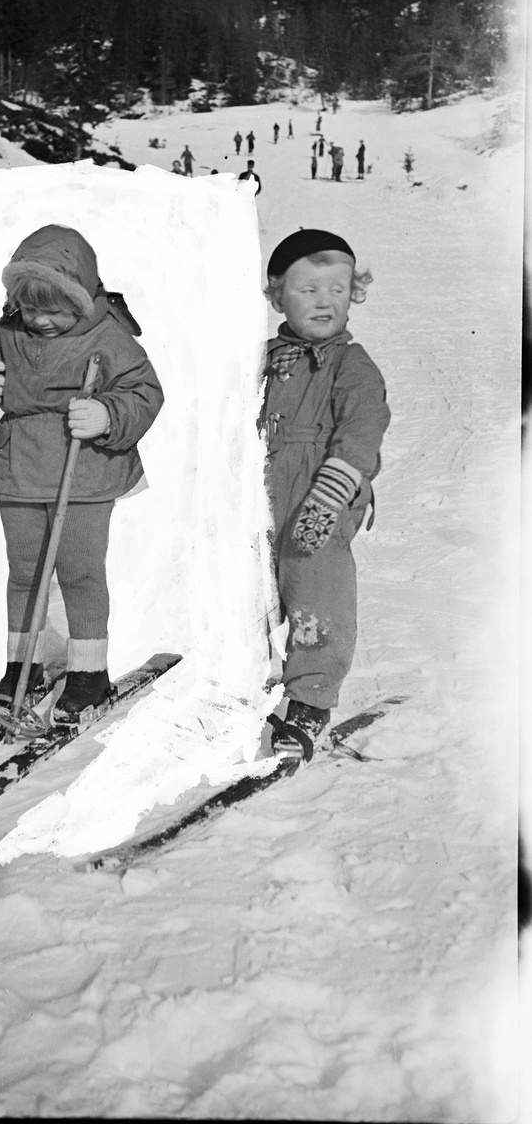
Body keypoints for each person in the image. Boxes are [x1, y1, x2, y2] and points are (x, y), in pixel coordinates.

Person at [0, 225, 164, 723]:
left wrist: (110, 414)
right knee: (24, 572)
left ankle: (89, 672)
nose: (41, 320)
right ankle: (22, 665)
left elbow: (145, 391)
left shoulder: (108, 336)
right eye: (29, 308)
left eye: (55, 309)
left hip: (84, 471)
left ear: (84, 298)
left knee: (80, 572)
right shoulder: (10, 332)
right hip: (19, 468)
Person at [259, 228, 390, 759]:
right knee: (257, 597)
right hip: (260, 497)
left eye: (337, 289)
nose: (324, 301)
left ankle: (310, 700)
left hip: (319, 502)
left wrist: (331, 494)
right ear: (277, 297)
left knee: (319, 599)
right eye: (309, 289)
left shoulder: (350, 364)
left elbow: (362, 431)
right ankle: (248, 686)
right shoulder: (265, 358)